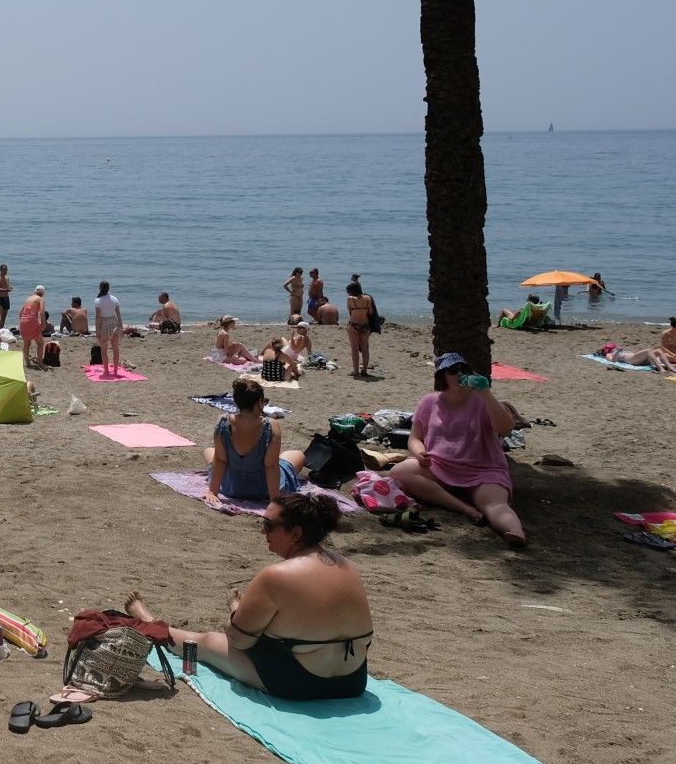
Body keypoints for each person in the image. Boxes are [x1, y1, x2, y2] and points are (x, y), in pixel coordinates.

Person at [125, 494, 371, 701]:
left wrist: (237, 613)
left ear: (296, 534)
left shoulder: (276, 576)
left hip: (301, 684)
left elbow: (239, 640)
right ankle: (239, 608)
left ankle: (150, 622)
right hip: (353, 681)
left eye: (268, 525)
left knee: (210, 642)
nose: (263, 531)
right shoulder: (348, 566)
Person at [390, 354, 527, 546]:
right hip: (441, 466)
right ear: (442, 376)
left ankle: (515, 531)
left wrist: (486, 394)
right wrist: (419, 452)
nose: (460, 374)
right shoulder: (429, 402)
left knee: (495, 505)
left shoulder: (482, 401)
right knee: (399, 472)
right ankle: (463, 508)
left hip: (483, 470)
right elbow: (414, 438)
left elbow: (505, 428)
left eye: (464, 370)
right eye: (453, 371)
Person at [205, 378, 306, 508]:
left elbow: (220, 460)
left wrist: (213, 491)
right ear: (259, 401)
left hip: (232, 486)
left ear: (236, 401)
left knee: (209, 451)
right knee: (297, 455)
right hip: (263, 489)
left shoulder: (223, 421)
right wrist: (274, 500)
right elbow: (271, 466)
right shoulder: (270, 425)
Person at [345, 278, 376, 377]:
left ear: (351, 291)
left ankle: (356, 371)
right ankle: (364, 371)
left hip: (354, 324)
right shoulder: (368, 298)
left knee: (354, 349)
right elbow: (371, 312)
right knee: (365, 348)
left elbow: (349, 310)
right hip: (365, 325)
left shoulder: (350, 299)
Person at [93, 281, 123, 378]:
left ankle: (106, 371)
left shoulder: (98, 300)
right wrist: (120, 326)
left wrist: (97, 330)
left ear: (100, 288)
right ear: (108, 288)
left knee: (104, 350)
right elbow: (118, 314)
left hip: (104, 323)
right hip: (114, 322)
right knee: (116, 349)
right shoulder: (114, 299)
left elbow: (97, 317)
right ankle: (115, 371)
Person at [18, 286, 45, 366]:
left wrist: (23, 322)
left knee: (26, 343)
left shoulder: (28, 298)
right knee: (40, 343)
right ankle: (40, 363)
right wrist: (43, 323)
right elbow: (42, 312)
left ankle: (28, 364)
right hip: (32, 321)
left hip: (23, 320)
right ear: (43, 293)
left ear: (35, 291)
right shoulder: (40, 299)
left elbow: (20, 313)